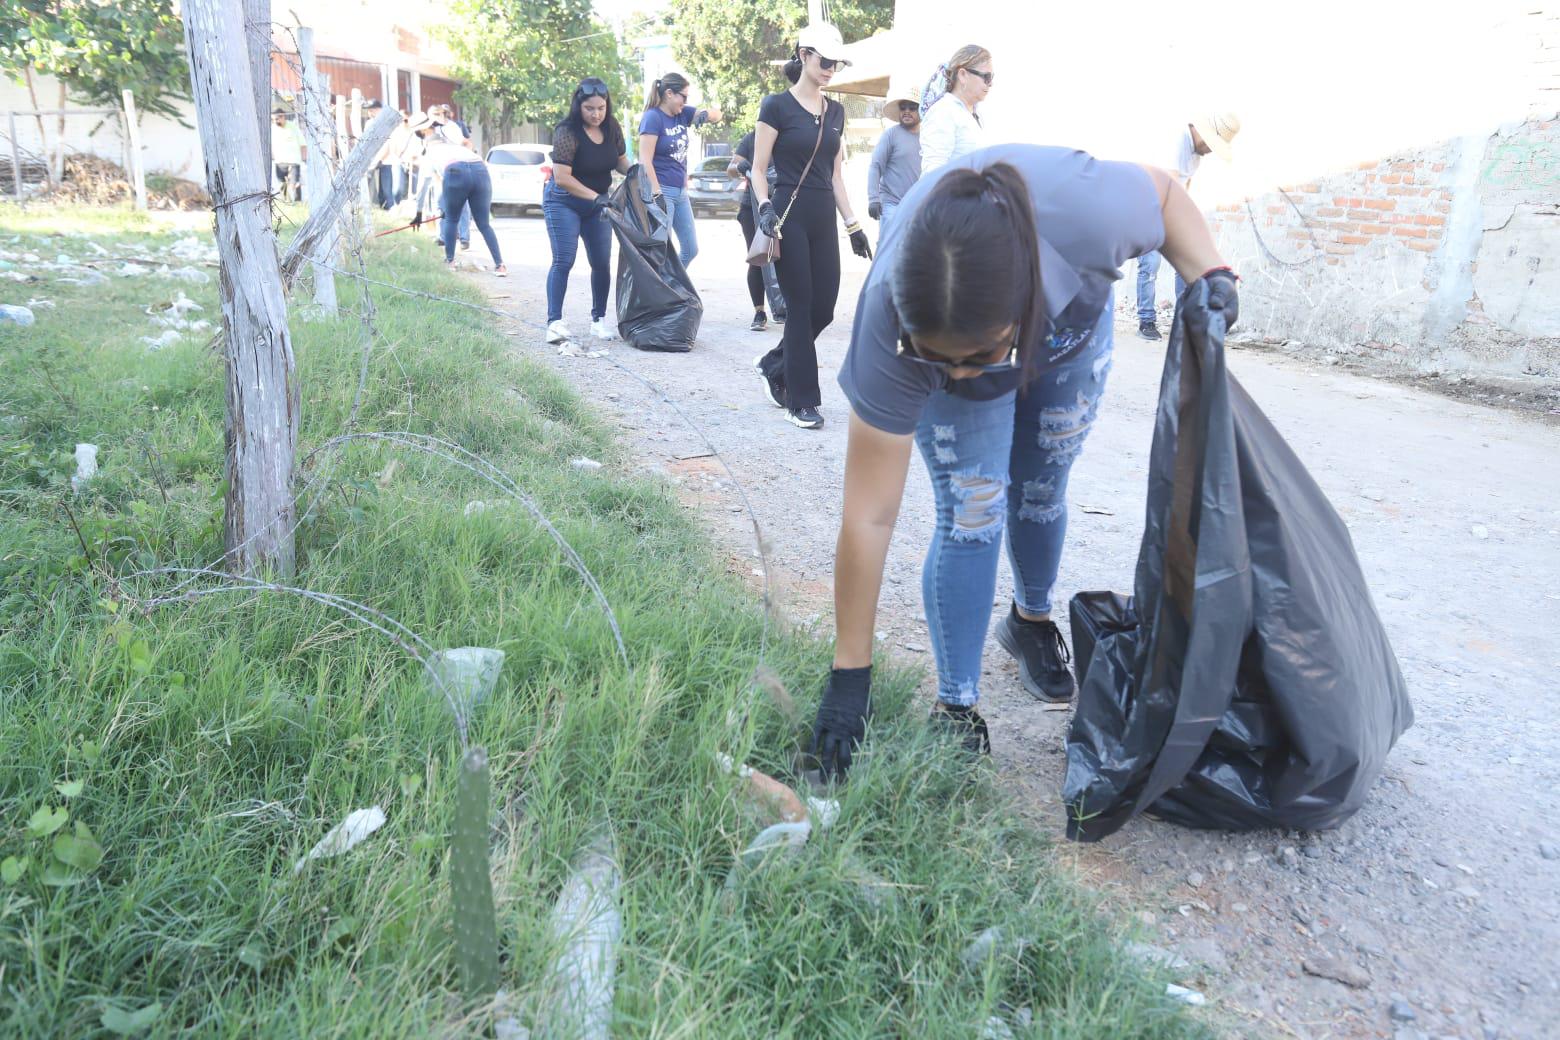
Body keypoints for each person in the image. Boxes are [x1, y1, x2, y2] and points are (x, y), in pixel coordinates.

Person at [806, 143, 1239, 778]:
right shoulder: (890, 328)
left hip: (1068, 337)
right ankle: (957, 705)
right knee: (973, 512)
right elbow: (869, 517)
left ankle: (1030, 618)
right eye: (938, 359)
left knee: (1041, 490)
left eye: (974, 357)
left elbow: (1169, 196)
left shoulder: (1091, 212)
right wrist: (850, 674)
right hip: (970, 330)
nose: (956, 375)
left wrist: (1212, 276)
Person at [750, 22, 873, 430]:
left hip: (823, 215)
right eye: (824, 60)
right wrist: (764, 207)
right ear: (804, 56)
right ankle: (802, 400)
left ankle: (775, 362)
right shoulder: (776, 106)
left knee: (825, 308)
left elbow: (835, 176)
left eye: (836, 63)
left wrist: (853, 225)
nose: (830, 69)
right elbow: (757, 169)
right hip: (787, 214)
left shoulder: (835, 111)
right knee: (800, 307)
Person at [1135, 112, 1241, 340]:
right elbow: (1171, 184)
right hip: (1150, 207)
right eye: (1212, 145)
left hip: (1170, 209)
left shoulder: (1196, 155)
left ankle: (1184, 320)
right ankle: (1146, 321)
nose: (1211, 151)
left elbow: (1186, 185)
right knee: (1150, 265)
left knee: (1185, 267)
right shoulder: (1177, 140)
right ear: (1204, 135)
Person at [544, 77, 631, 346]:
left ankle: (598, 321)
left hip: (598, 206)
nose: (596, 114)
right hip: (564, 202)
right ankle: (554, 323)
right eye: (589, 108)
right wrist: (596, 198)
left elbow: (620, 162)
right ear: (578, 106)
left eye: (601, 108)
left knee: (601, 262)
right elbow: (562, 177)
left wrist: (640, 175)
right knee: (564, 260)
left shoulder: (612, 127)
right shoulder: (567, 131)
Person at [637, 72, 723, 268]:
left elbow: (718, 115)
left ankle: (671, 285)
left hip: (681, 191)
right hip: (662, 191)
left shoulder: (682, 114)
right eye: (683, 96)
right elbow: (645, 160)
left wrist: (704, 114)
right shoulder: (653, 118)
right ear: (669, 94)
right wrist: (657, 195)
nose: (685, 101)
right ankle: (662, 292)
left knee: (691, 249)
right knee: (662, 251)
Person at [409, 113, 507, 276]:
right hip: (480, 170)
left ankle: (450, 261)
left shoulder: (430, 153)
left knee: (451, 219)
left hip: (456, 172)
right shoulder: (456, 146)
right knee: (483, 224)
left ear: (423, 132)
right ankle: (500, 265)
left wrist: (418, 213)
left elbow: (423, 187)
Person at [728, 129, 786, 331]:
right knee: (759, 257)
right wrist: (742, 168)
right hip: (751, 207)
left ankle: (785, 308)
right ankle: (759, 312)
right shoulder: (752, 138)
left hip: (784, 204)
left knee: (787, 258)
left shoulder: (788, 136)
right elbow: (731, 168)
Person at [918, 45, 992, 175]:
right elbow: (932, 173)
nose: (990, 83)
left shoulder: (975, 114)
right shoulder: (943, 112)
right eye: (986, 77)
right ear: (963, 75)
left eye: (992, 77)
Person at [866, 81, 922, 231]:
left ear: (921, 110)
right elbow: (875, 166)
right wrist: (873, 199)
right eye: (903, 107)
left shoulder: (929, 137)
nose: (906, 111)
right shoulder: (890, 135)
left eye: (912, 107)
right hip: (892, 204)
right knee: (890, 249)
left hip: (919, 207)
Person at [271, 109, 304, 202]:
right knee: (282, 183)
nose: (275, 121)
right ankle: (285, 201)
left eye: (277, 119)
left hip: (293, 161)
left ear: (283, 117)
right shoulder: (272, 128)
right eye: (273, 119)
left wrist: (304, 158)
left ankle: (298, 201)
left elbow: (302, 143)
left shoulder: (293, 127)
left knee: (294, 183)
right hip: (279, 161)